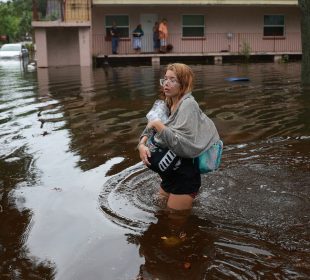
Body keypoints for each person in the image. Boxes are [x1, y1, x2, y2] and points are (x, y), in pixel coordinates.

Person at [137, 63, 220, 211]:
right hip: (169, 174)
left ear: (183, 84)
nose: (166, 83)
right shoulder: (167, 103)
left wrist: (158, 125)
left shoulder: (189, 105)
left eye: (172, 80)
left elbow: (181, 145)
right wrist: (142, 145)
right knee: (160, 210)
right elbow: (149, 127)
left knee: (175, 221)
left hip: (184, 176)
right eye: (165, 79)